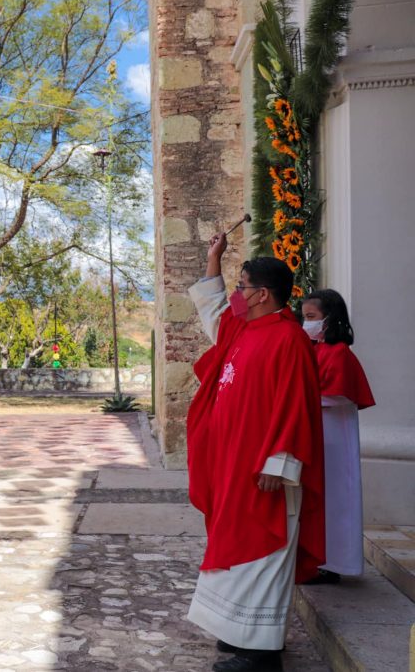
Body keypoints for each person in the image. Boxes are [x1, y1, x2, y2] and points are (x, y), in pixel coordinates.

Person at [185, 232, 325, 672]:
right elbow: (214, 311)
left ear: (262, 294)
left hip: (265, 470)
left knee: (262, 553)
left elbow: (297, 405)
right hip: (234, 465)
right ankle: (239, 633)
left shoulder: (289, 339)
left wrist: (280, 463)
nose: (237, 296)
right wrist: (214, 259)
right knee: (233, 547)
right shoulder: (245, 329)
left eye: (242, 287)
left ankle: (262, 654)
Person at [301, 289, 375, 584]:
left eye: (311, 318)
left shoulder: (340, 353)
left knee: (337, 499)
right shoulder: (314, 349)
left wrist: (305, 398)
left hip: (335, 436)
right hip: (317, 433)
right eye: (304, 317)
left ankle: (337, 563)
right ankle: (317, 558)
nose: (306, 324)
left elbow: (341, 395)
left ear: (330, 319)